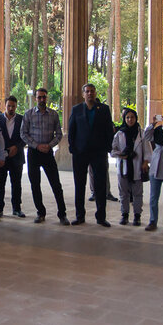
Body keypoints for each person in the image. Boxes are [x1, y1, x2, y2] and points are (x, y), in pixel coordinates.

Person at [67, 83, 114, 226]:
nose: (89, 93)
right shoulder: (76, 109)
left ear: (95, 93)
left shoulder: (104, 109)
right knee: (79, 185)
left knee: (100, 185)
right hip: (80, 153)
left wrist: (107, 148)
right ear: (83, 94)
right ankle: (80, 216)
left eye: (92, 91)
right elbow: (71, 130)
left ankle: (101, 217)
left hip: (98, 153)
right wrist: (73, 148)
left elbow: (109, 130)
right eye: (87, 91)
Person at [23, 88, 69, 225]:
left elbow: (59, 134)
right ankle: (40, 212)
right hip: (34, 153)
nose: (42, 100)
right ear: (35, 98)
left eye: (44, 97)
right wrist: (36, 146)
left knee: (56, 184)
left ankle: (62, 214)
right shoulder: (28, 114)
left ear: (47, 98)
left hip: (48, 153)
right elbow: (23, 134)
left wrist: (49, 145)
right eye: (39, 97)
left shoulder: (53, 114)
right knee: (35, 184)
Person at [111, 107, 150, 225]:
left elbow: (147, 150)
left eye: (132, 117)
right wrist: (122, 155)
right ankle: (124, 214)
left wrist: (145, 162)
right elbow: (113, 150)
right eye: (127, 117)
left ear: (136, 118)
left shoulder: (141, 133)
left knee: (137, 193)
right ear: (124, 119)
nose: (130, 120)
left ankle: (137, 215)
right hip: (123, 167)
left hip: (137, 167)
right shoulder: (120, 133)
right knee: (123, 192)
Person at [0, 95, 27, 218]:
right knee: (0, 183)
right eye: (9, 106)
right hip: (1, 156)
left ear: (16, 106)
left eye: (13, 106)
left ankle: (17, 208)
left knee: (16, 184)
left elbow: (25, 136)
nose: (11, 108)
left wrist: (17, 147)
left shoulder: (22, 119)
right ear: (5, 105)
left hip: (16, 156)